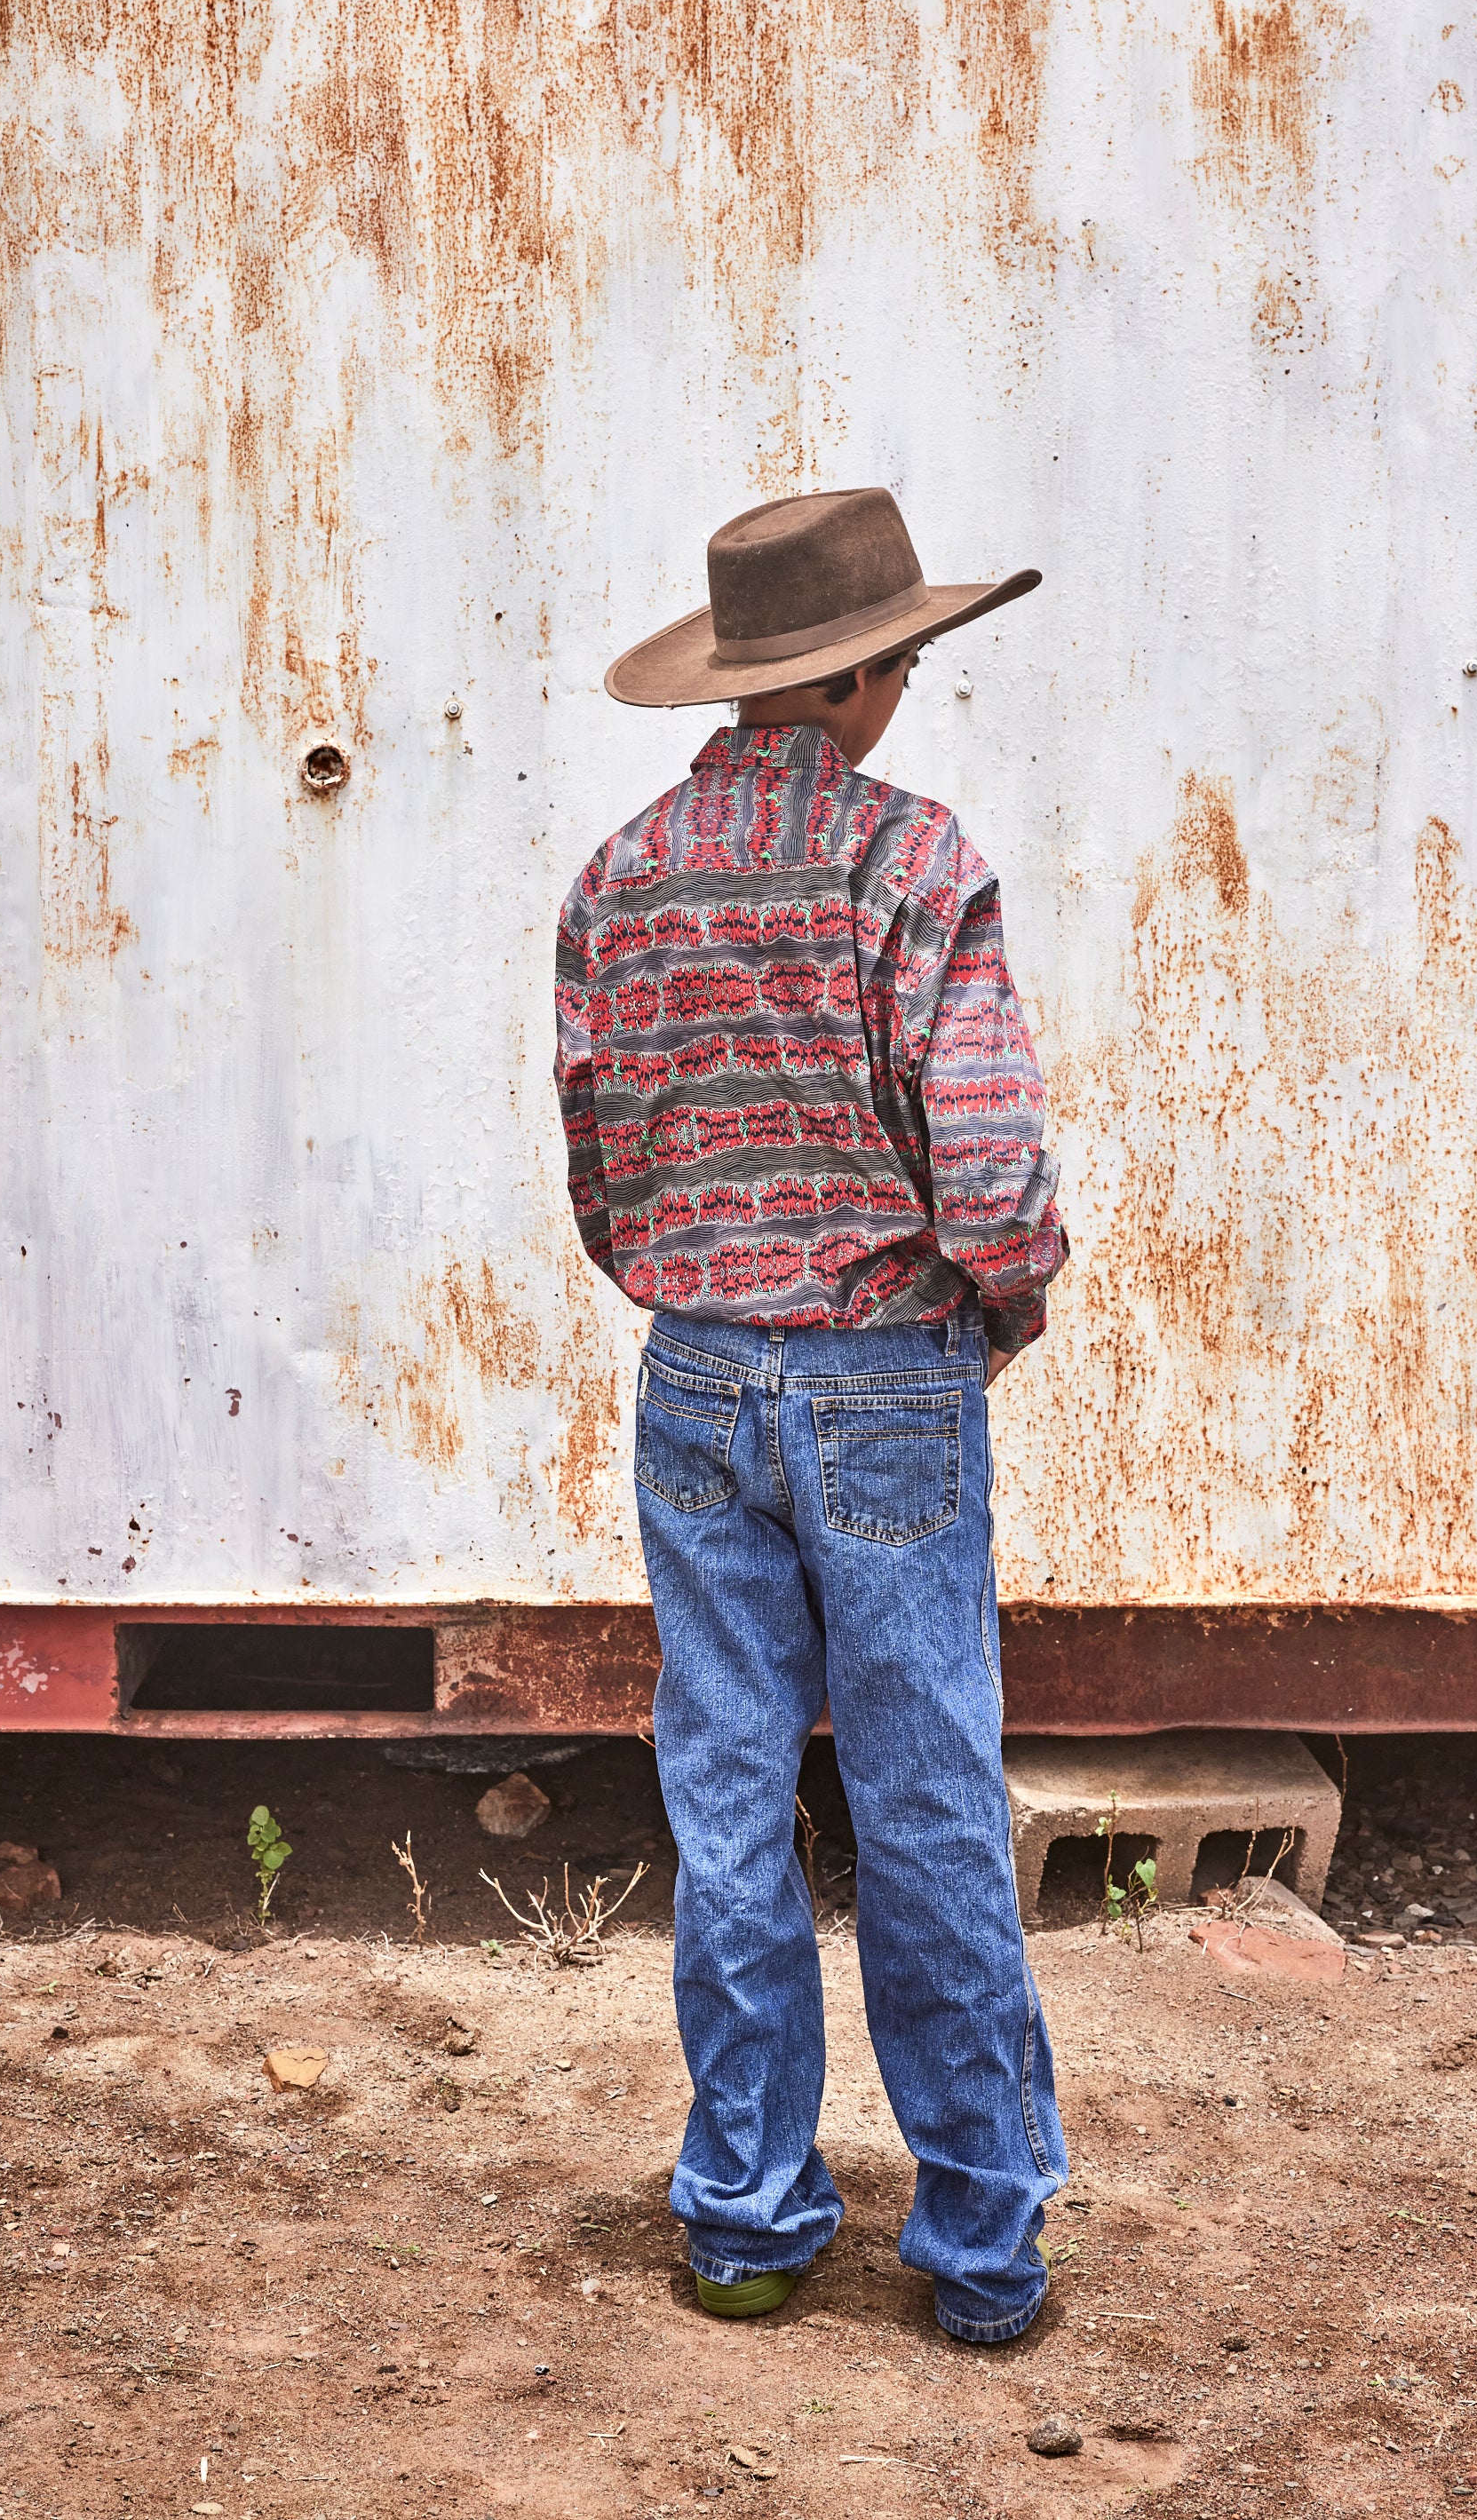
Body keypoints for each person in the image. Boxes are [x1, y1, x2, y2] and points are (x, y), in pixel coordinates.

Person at [553, 485, 1069, 2344]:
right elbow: (992, 1176)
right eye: (906, 658)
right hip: (882, 1385)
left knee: (728, 1799)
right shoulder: (915, 868)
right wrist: (986, 1316)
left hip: (695, 1376)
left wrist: (707, 1302)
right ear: (855, 675)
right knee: (925, 1805)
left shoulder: (621, 877)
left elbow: (603, 1173)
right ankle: (981, 2253)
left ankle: (749, 2218)